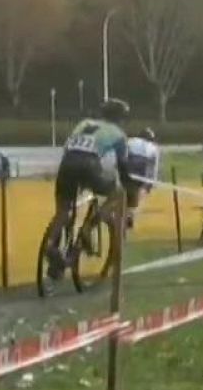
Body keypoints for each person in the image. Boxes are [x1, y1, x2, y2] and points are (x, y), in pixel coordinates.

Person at [49, 99, 132, 278]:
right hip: (89, 165)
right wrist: (128, 189)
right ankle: (88, 228)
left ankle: (51, 246)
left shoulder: (84, 123)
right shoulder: (119, 135)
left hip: (67, 163)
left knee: (63, 211)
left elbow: (72, 146)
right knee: (117, 193)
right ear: (120, 118)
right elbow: (123, 168)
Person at [124, 127, 160, 222]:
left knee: (127, 189)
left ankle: (126, 210)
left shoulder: (131, 141)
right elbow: (153, 166)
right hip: (143, 165)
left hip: (130, 162)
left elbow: (123, 154)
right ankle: (130, 213)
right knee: (139, 189)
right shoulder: (153, 147)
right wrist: (152, 182)